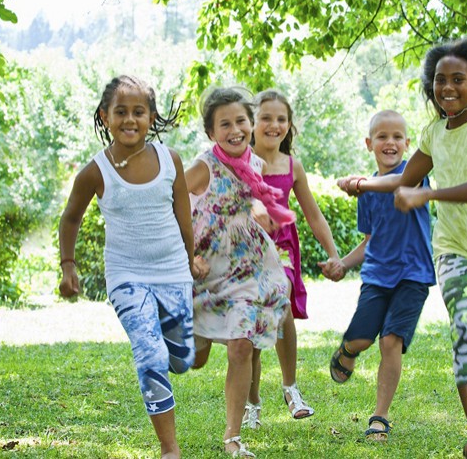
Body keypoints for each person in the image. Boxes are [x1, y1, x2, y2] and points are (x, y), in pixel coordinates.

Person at [337, 39, 467, 459]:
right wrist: (362, 184)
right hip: (452, 248)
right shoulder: (433, 133)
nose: (447, 87)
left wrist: (427, 196)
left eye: (457, 79)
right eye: (439, 80)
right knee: (464, 328)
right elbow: (404, 178)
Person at [58, 75, 209, 459]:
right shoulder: (96, 171)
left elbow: (183, 218)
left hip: (173, 272)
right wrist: (68, 265)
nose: (130, 119)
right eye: (120, 111)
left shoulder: (170, 159)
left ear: (151, 117)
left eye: (138, 112)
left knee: (181, 360)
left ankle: (193, 340)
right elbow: (71, 217)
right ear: (104, 116)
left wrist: (190, 260)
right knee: (151, 354)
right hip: (126, 276)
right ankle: (169, 448)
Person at [184, 86, 291, 458]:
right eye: (225, 124)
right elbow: (171, 204)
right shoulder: (203, 167)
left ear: (251, 123)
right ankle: (193, 341)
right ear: (211, 132)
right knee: (195, 361)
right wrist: (188, 255)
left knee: (241, 346)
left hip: (247, 267)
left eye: (241, 121)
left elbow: (250, 199)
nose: (235, 130)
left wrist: (260, 210)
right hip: (205, 269)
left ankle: (233, 437)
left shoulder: (255, 164)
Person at [319, 109, 436, 442]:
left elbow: (400, 183)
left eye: (397, 137)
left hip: (413, 275)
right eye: (382, 136)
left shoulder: (414, 175)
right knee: (362, 339)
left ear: (408, 143)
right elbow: (369, 241)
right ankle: (347, 351)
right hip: (377, 277)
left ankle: (379, 417)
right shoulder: (367, 192)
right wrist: (343, 264)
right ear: (369, 143)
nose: (390, 142)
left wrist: (359, 183)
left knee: (391, 341)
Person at [243, 89, 342, 427]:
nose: (274, 125)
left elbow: (313, 215)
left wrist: (333, 254)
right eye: (266, 118)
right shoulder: (241, 161)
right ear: (252, 123)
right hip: (247, 249)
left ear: (289, 125)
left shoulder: (292, 165)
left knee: (280, 298)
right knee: (253, 326)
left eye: (281, 119)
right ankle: (252, 402)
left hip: (281, 247)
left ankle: (291, 389)